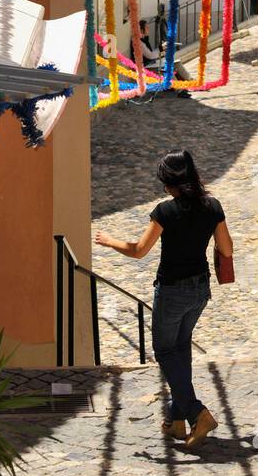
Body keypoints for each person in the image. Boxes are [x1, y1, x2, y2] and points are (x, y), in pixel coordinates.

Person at [94, 149, 233, 447]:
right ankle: (175, 421)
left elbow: (138, 250)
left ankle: (198, 413)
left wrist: (109, 241)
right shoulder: (213, 206)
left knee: (165, 351)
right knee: (180, 348)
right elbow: (227, 249)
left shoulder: (165, 211)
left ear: (170, 184)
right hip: (199, 290)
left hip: (172, 290)